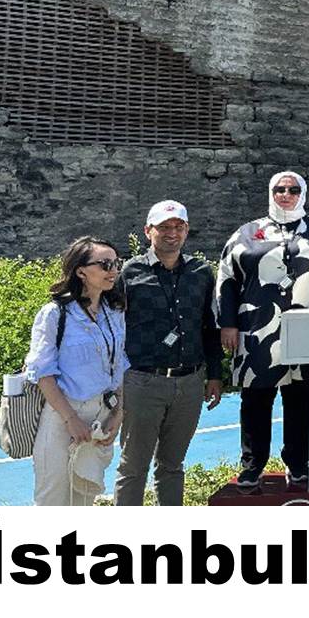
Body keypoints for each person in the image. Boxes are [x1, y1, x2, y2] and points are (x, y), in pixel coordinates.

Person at [216, 171, 309, 491]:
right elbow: (227, 279)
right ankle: (252, 465)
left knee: (300, 401)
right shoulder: (247, 233)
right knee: (255, 401)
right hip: (258, 332)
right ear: (271, 193)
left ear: (304, 193)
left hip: (308, 332)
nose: (286, 194)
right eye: (280, 189)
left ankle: (298, 464)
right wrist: (227, 323)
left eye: (294, 189)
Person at [115, 200, 222, 506]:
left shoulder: (201, 272)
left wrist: (214, 373)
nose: (171, 233)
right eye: (164, 227)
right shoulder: (129, 271)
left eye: (178, 227)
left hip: (189, 382)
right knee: (134, 466)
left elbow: (208, 325)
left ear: (186, 230)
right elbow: (113, 324)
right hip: (143, 381)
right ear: (149, 231)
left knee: (172, 465)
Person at [26, 237, 129, 506]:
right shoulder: (54, 314)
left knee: (85, 496)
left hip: (102, 416)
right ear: (81, 270)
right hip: (63, 416)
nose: (113, 270)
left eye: (117, 263)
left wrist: (119, 413)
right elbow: (43, 374)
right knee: (53, 497)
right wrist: (71, 419)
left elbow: (119, 365)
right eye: (105, 264)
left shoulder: (114, 311)